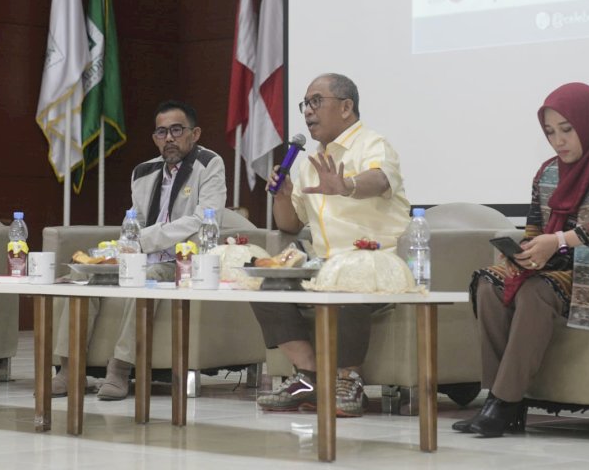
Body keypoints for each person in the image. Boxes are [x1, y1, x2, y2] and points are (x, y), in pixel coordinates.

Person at [453, 82, 589, 437]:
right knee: (489, 282)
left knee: (535, 291)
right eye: (550, 132)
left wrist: (558, 241)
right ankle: (501, 403)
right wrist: (523, 255)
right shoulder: (548, 172)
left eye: (567, 130)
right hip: (553, 266)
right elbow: (533, 230)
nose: (558, 141)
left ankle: (503, 403)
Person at [251, 73, 411, 417]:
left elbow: (380, 179)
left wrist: (346, 185)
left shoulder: (373, 144)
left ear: (346, 106)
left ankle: (348, 379)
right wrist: (281, 195)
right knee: (267, 283)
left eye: (316, 101)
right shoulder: (313, 163)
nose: (307, 112)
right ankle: (309, 376)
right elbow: (290, 224)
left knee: (347, 275)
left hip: (377, 260)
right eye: (305, 104)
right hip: (325, 264)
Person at [52, 100, 230, 400]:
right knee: (85, 279)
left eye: (177, 130)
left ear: (195, 133)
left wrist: (144, 241)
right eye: (162, 132)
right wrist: (121, 249)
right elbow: (132, 221)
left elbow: (204, 219)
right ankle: (70, 370)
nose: (169, 138)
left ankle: (121, 368)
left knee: (147, 277)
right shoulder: (143, 172)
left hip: (182, 262)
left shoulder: (209, 164)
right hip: (139, 255)